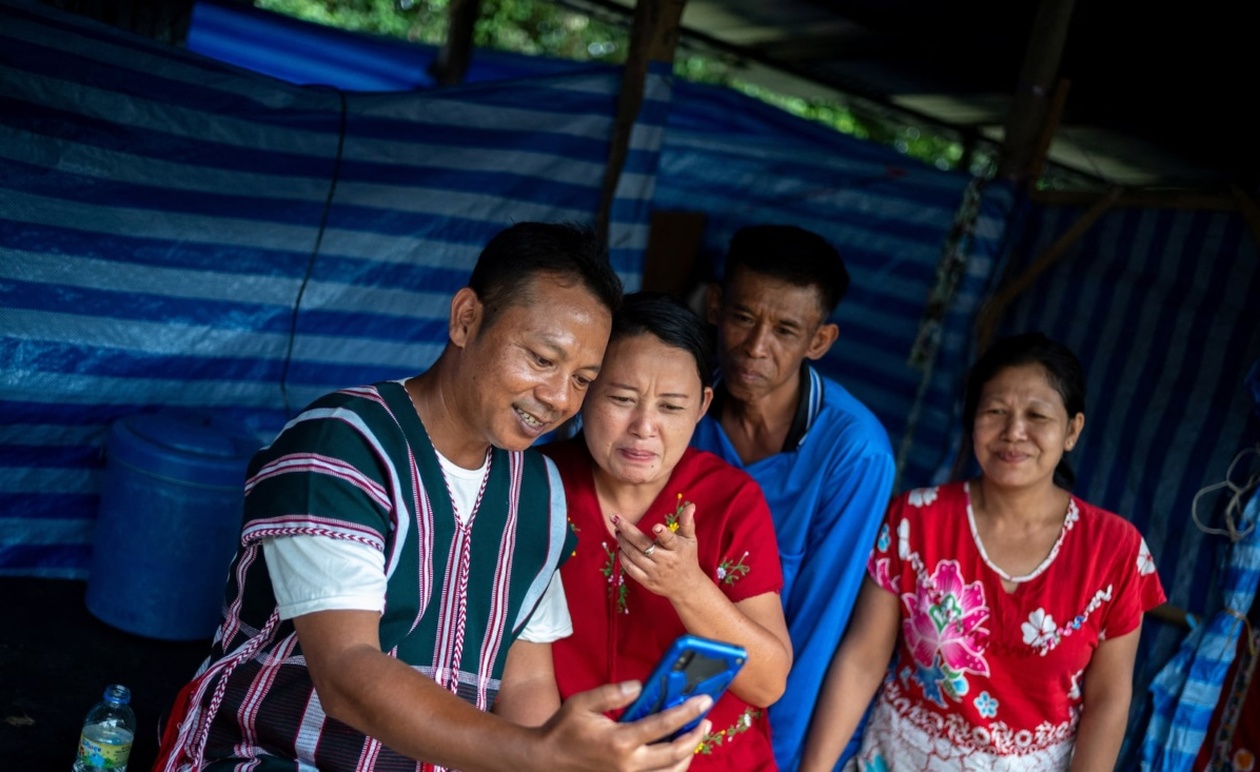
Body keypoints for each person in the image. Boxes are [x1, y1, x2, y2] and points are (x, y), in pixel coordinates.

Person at [154, 223, 713, 772]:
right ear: (467, 319)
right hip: (268, 757)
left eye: (584, 379)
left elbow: (527, 683)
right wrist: (533, 753)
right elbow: (348, 670)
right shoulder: (342, 445)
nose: (557, 397)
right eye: (542, 359)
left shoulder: (539, 493)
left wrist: (559, 762)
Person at [801, 332, 1168, 770]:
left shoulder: (1116, 552)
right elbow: (863, 657)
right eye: (995, 411)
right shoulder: (916, 520)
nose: (1014, 432)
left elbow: (1108, 702)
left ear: (1072, 430)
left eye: (1037, 415)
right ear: (972, 419)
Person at [541, 292, 793, 770]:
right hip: (572, 759)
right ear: (585, 389)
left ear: (702, 406)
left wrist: (688, 586)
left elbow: (768, 683)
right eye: (622, 399)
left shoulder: (731, 500)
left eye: (671, 407)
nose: (644, 427)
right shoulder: (533, 484)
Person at [690, 223, 895, 769]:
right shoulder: (677, 408)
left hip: (766, 721)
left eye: (785, 330)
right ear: (715, 306)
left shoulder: (854, 452)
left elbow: (816, 624)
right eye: (742, 317)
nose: (756, 347)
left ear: (819, 341)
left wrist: (774, 761)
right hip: (663, 691)